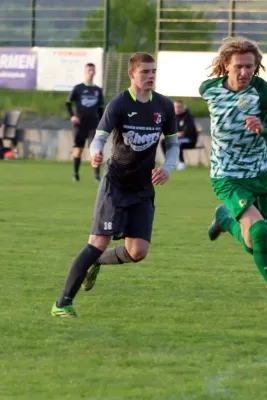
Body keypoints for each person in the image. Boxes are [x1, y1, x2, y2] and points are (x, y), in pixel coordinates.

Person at [51, 52, 180, 317]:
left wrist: (167, 168)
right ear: (132, 74)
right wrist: (95, 151)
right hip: (116, 185)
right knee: (98, 241)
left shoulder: (164, 106)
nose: (150, 76)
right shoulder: (119, 103)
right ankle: (62, 303)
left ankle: (97, 261)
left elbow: (173, 143)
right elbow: (99, 137)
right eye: (145, 71)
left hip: (143, 188)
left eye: (153, 71)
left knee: (138, 252)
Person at [200, 36, 267, 314]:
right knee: (260, 232)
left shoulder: (264, 94)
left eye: (250, 67)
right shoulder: (209, 90)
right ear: (225, 66)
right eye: (239, 66)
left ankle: (225, 220)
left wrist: (263, 129)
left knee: (254, 243)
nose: (244, 72)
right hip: (226, 176)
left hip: (259, 175)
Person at [66, 63, 105, 183]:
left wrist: (102, 122)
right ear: (85, 71)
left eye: (93, 70)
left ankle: (97, 176)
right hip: (80, 124)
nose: (91, 72)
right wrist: (72, 116)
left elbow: (101, 108)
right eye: (89, 70)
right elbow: (68, 103)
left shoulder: (97, 90)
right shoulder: (78, 88)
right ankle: (76, 174)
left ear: (95, 72)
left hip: (93, 124)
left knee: (96, 149)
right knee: (79, 149)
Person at [160, 99, 201, 170]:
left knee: (178, 142)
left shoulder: (187, 117)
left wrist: (178, 134)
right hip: (177, 138)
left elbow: (187, 131)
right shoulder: (173, 117)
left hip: (190, 140)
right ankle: (167, 161)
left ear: (183, 107)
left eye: (179, 107)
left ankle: (182, 163)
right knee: (163, 141)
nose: (177, 109)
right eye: (176, 107)